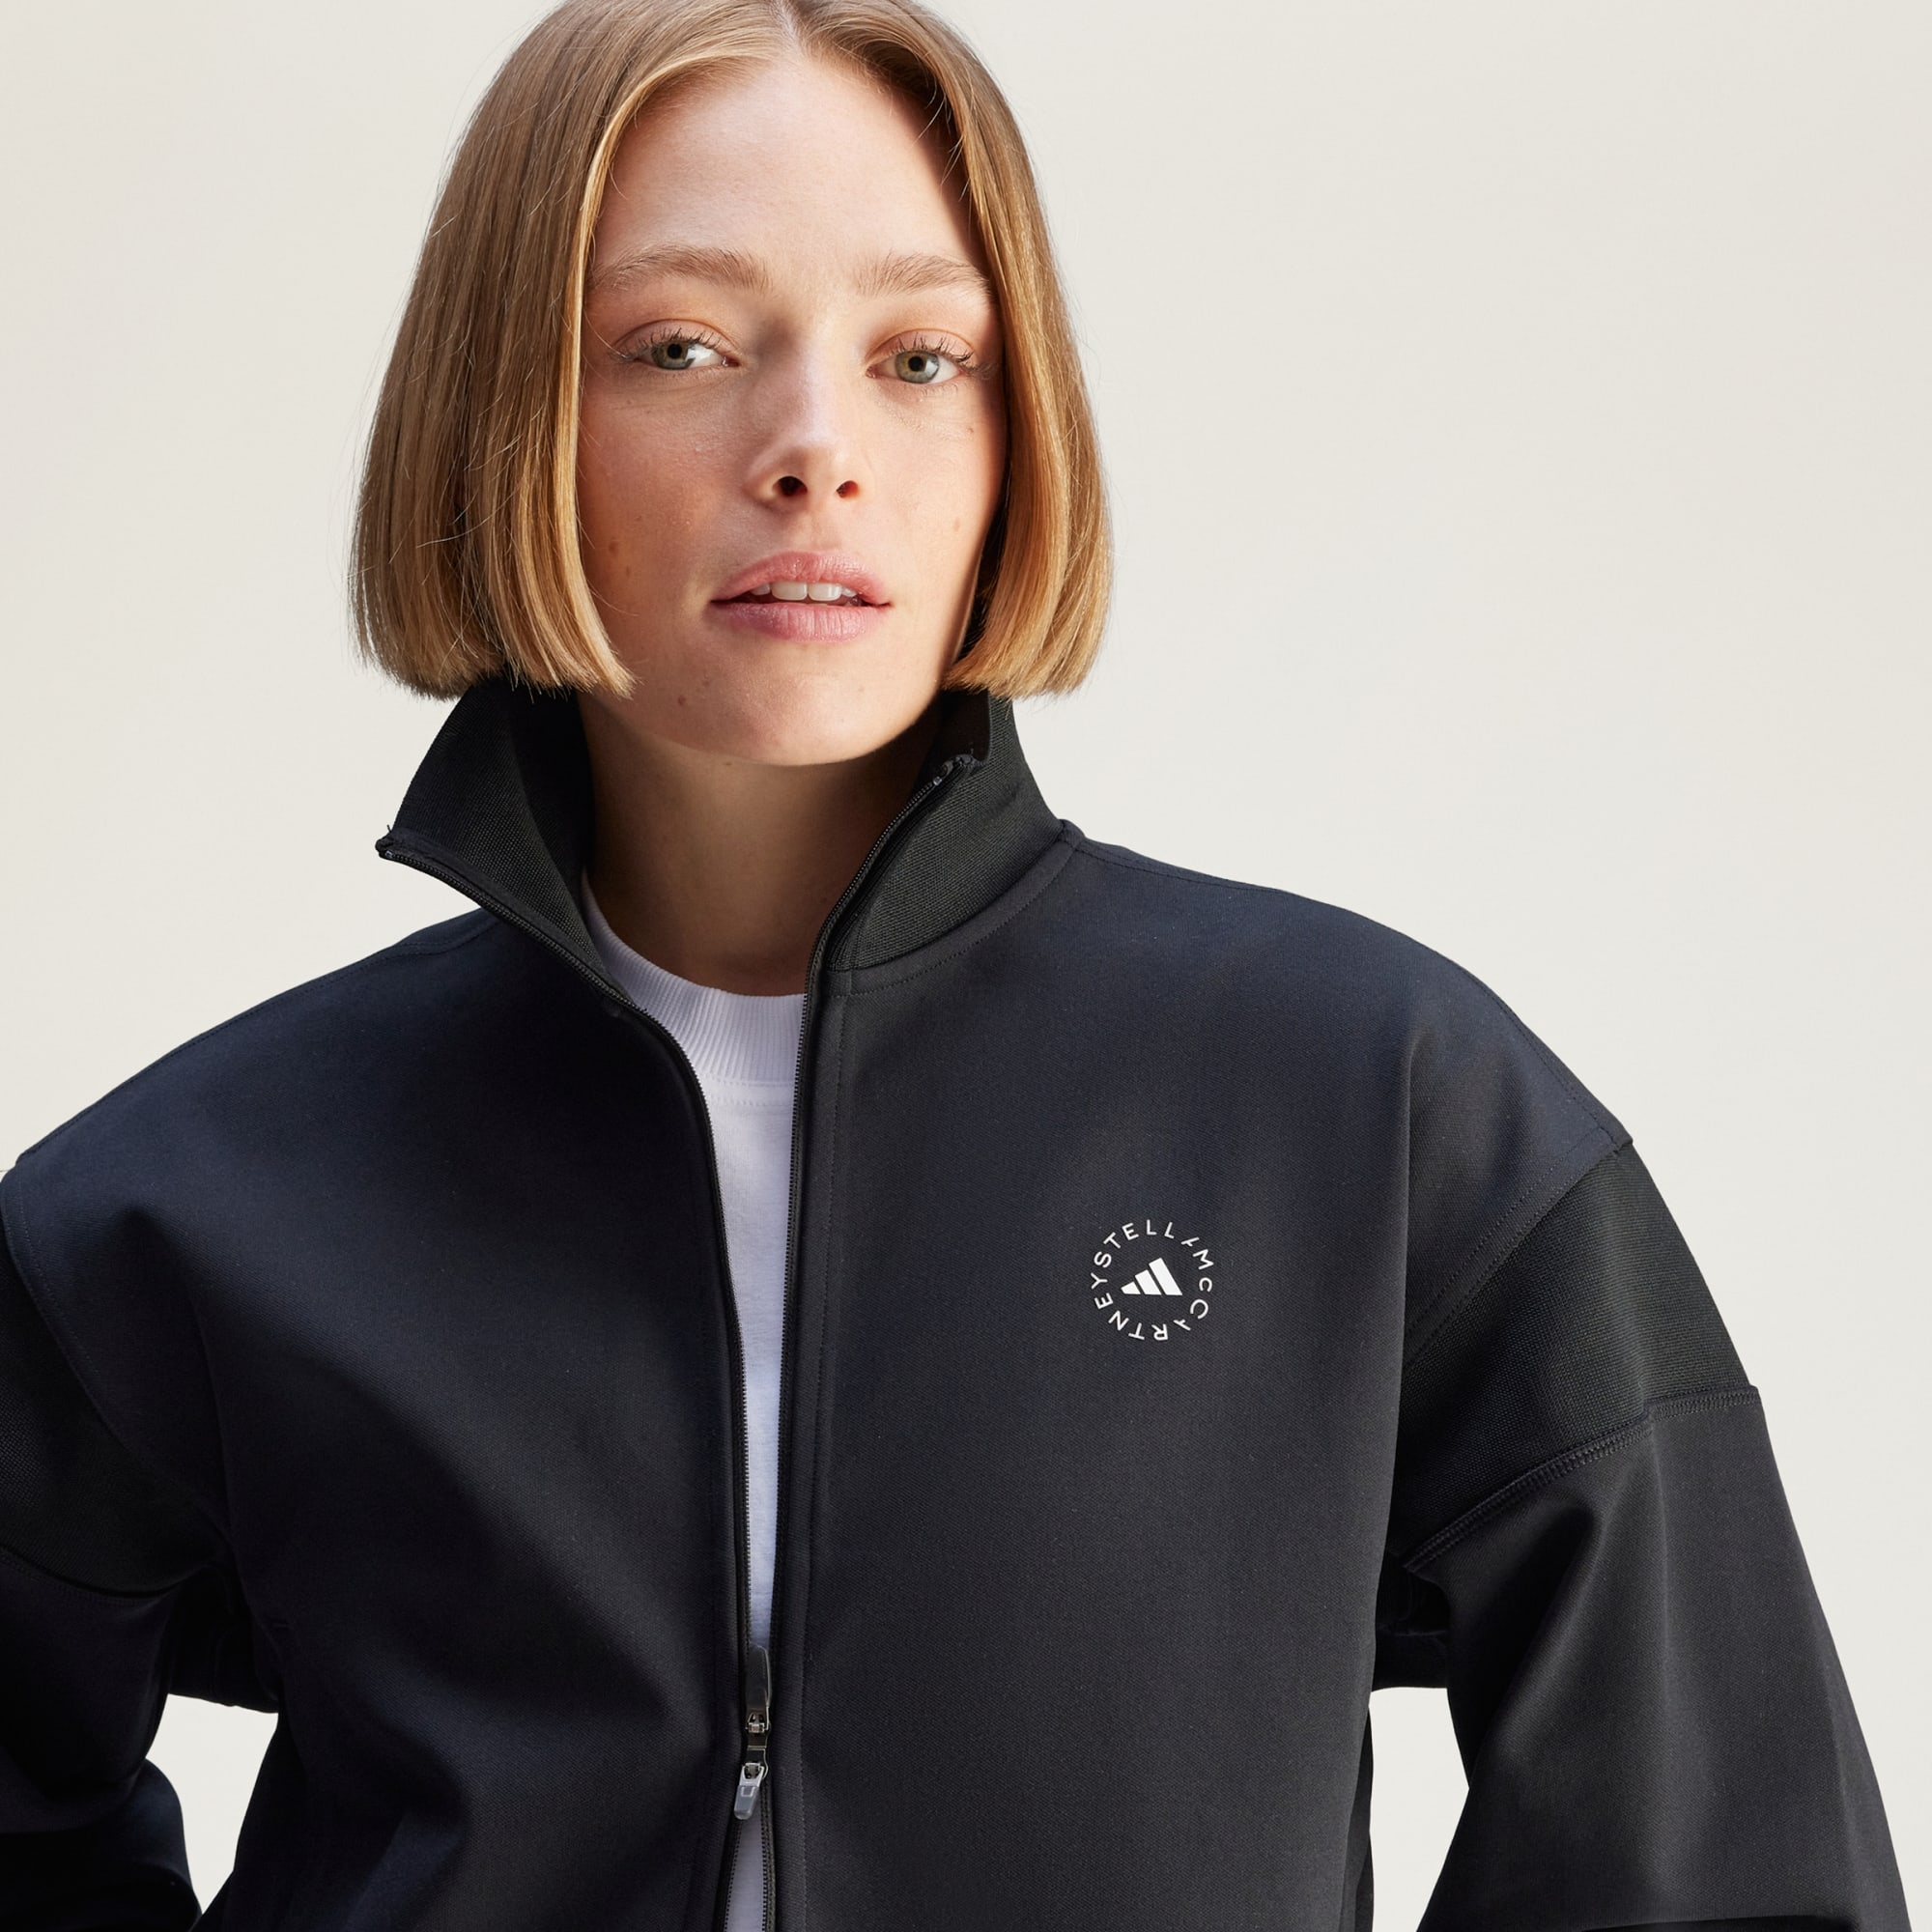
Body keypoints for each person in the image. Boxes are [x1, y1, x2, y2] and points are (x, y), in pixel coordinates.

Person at [0, 0, 1909, 1924]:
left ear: (1015, 435)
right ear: (506, 413)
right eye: (680, 346)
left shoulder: (1379, 1108)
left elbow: (1723, 1859)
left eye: (921, 358)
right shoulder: (211, 1196)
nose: (814, 450)